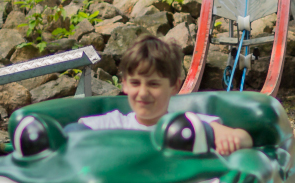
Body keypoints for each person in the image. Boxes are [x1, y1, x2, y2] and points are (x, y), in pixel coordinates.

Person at [78, 35, 252, 155]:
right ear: (124, 84)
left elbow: (243, 138)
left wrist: (231, 140)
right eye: (135, 83)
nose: (143, 93)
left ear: (174, 86)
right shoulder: (114, 124)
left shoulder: (188, 125)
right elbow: (72, 136)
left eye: (153, 84)